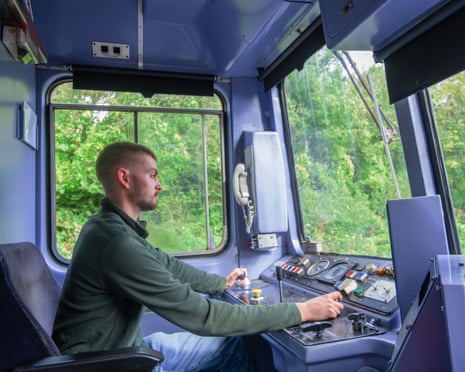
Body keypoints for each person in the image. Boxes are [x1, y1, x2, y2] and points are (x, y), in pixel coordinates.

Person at [52, 141, 344, 371]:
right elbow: (205, 318)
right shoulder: (117, 243)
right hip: (110, 364)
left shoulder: (108, 227)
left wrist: (220, 284)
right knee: (236, 345)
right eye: (152, 175)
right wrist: (302, 311)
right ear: (124, 177)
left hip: (121, 350)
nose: (159, 184)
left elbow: (169, 266)